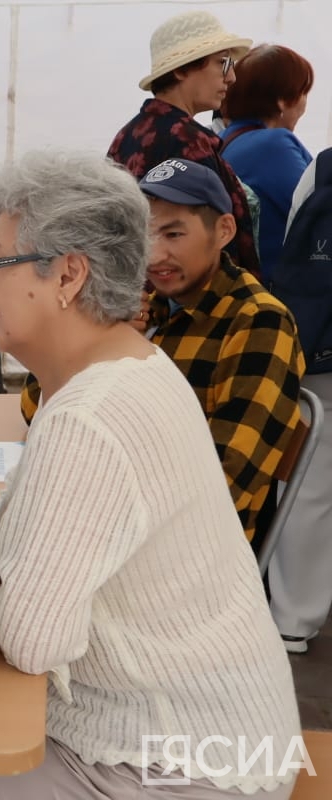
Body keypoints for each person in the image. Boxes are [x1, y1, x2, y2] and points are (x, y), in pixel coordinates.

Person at [0, 150, 302, 800]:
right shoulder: (109, 369)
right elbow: (35, 553)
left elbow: (32, 640)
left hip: (189, 763)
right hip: (203, 727)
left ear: (69, 276)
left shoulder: (93, 415)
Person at [20, 157, 304, 545]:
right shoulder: (140, 306)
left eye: (173, 235)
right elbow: (36, 409)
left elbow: (226, 484)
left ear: (223, 231)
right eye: (145, 237)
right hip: (109, 516)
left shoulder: (258, 323)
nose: (153, 256)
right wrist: (93, 339)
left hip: (189, 554)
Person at [108, 10, 260, 275]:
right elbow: (204, 246)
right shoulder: (186, 141)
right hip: (191, 308)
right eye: (222, 63)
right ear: (181, 69)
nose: (231, 77)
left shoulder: (127, 135)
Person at [266, 148, 332, 654]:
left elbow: (294, 250)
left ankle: (294, 616)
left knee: (309, 486)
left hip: (321, 349)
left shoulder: (323, 166)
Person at [220, 44, 314, 281]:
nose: (305, 103)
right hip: (280, 288)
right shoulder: (273, 145)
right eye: (303, 93)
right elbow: (316, 209)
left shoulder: (224, 140)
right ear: (282, 101)